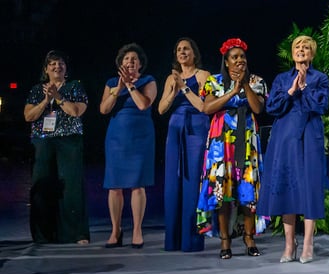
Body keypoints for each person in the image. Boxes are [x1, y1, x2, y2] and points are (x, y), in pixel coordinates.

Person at [257, 35, 329, 263]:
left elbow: (321, 105)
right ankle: (289, 244)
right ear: (292, 53)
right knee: (285, 187)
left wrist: (304, 87)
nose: (301, 50)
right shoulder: (281, 78)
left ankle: (308, 243)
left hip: (309, 135)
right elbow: (271, 106)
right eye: (298, 47)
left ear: (312, 53)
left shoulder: (320, 78)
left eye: (306, 47)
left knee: (309, 186)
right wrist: (290, 90)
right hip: (284, 138)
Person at [197, 38, 267, 259]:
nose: (239, 61)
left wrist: (244, 85)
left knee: (247, 190)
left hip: (247, 142)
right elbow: (207, 108)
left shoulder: (256, 81)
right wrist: (231, 92)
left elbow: (258, 108)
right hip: (221, 145)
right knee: (223, 191)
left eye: (242, 57)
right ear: (226, 62)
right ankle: (225, 241)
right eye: (234, 57)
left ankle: (249, 237)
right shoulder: (213, 82)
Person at [23, 50, 90, 245]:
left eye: (60, 63)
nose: (56, 66)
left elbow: (76, 111)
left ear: (65, 68)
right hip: (43, 140)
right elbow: (29, 116)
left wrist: (58, 97)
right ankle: (43, 235)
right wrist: (46, 100)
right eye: (52, 64)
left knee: (72, 187)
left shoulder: (74, 86)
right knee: (43, 185)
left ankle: (77, 234)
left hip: (69, 141)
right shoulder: (37, 90)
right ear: (46, 69)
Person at [99, 43, 156, 249]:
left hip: (140, 138)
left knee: (137, 184)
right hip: (116, 138)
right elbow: (104, 109)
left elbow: (143, 104)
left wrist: (130, 86)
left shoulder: (148, 81)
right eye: (126, 59)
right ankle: (115, 230)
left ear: (140, 64)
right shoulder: (112, 82)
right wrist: (119, 88)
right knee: (114, 186)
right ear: (120, 63)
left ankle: (137, 230)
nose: (130, 62)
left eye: (134, 59)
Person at [157, 38, 211, 252]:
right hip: (175, 129)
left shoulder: (203, 75)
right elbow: (161, 109)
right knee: (173, 184)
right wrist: (173, 89)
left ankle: (192, 240)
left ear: (194, 53)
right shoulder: (171, 78)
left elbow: (204, 106)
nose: (182, 52)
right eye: (179, 49)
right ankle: (173, 240)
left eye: (186, 48)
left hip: (196, 129)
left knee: (192, 184)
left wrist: (185, 88)